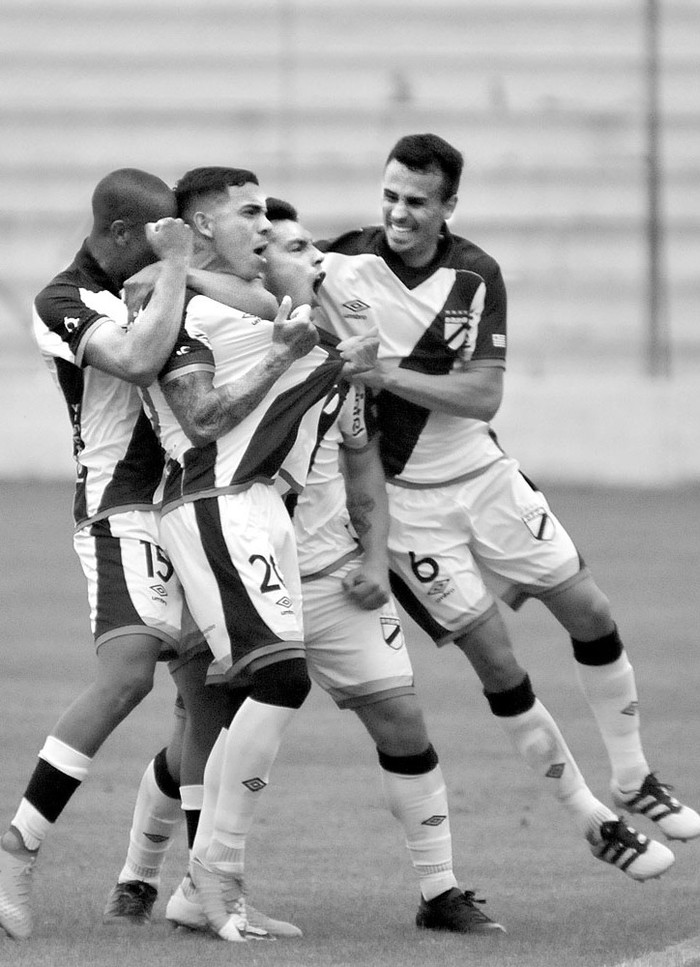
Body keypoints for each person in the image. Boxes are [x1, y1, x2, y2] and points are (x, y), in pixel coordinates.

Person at [108, 197, 505, 938]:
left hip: (320, 565)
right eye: (290, 244)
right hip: (225, 529)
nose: (312, 257)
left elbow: (362, 464)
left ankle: (441, 888)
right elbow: (199, 355)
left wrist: (375, 552)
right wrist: (174, 275)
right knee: (203, 719)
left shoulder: (330, 344)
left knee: (398, 716)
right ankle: (162, 872)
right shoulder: (208, 313)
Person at [313, 133, 700, 881]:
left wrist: (385, 372)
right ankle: (594, 816)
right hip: (409, 511)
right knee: (497, 662)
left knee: (590, 609)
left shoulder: (475, 273)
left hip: (485, 477)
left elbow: (484, 392)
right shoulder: (342, 264)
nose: (397, 213)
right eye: (390, 195)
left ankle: (634, 774)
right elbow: (263, 271)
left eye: (416, 202)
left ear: (448, 206)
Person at [135, 166, 382, 943]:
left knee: (245, 694)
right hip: (214, 500)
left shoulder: (264, 304)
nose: (268, 230)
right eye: (251, 216)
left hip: (259, 509)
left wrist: (331, 346)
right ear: (203, 226)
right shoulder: (173, 298)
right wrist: (288, 353)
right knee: (278, 678)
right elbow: (204, 417)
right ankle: (212, 874)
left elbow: (339, 362)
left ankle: (198, 884)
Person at [0, 169, 194, 942]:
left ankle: (188, 881)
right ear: (122, 235)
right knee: (128, 674)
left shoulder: (161, 276)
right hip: (122, 508)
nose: (168, 250)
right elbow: (140, 361)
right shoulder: (62, 302)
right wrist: (181, 268)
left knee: (214, 694)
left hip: (195, 506)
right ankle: (19, 844)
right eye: (158, 237)